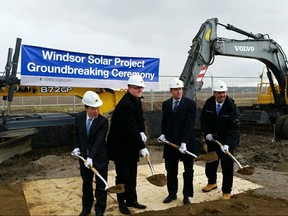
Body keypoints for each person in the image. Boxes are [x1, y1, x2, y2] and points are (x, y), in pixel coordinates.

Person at [107, 74, 149, 215]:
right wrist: (142, 147)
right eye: (137, 88)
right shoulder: (126, 105)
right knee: (123, 176)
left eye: (141, 87)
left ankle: (132, 199)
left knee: (132, 174)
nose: (140, 90)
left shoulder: (136, 100)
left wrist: (142, 131)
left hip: (130, 145)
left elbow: (139, 119)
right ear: (129, 88)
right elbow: (130, 128)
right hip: (120, 147)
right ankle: (122, 202)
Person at [158, 77, 199, 205]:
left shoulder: (190, 104)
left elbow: (189, 124)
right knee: (171, 170)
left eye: (180, 89)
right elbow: (165, 121)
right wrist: (163, 134)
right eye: (176, 89)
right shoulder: (166, 104)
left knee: (188, 171)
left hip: (186, 143)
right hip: (170, 143)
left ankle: (186, 195)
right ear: (171, 91)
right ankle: (172, 193)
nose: (179, 91)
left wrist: (184, 142)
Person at [200, 80, 240, 200]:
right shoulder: (208, 104)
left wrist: (227, 144)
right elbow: (203, 121)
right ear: (214, 93)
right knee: (211, 162)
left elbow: (234, 128)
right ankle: (212, 182)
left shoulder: (231, 107)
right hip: (213, 140)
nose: (222, 95)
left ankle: (226, 190)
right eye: (219, 93)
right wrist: (207, 134)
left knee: (227, 166)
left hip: (227, 141)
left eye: (224, 92)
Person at [72, 91, 109, 216]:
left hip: (99, 159)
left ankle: (100, 209)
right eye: (93, 109)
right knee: (86, 184)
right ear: (86, 108)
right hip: (84, 160)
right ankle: (86, 208)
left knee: (100, 185)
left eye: (98, 108)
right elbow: (76, 134)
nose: (96, 111)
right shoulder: (79, 118)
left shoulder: (103, 122)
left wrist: (91, 157)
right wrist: (77, 148)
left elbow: (99, 141)